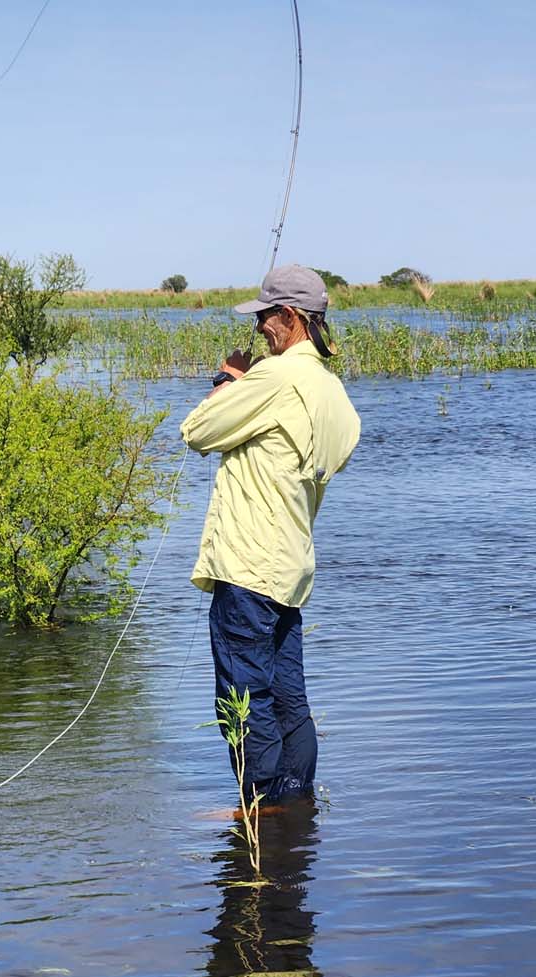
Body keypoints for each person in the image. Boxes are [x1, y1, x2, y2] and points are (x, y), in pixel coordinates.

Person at [180, 264, 360, 805]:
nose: (259, 327)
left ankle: (261, 812)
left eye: (264, 316)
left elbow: (197, 432)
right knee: (287, 698)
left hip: (247, 566)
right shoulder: (333, 392)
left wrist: (229, 381)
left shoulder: (276, 378)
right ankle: (294, 809)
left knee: (243, 697)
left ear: (289, 316)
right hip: (290, 567)